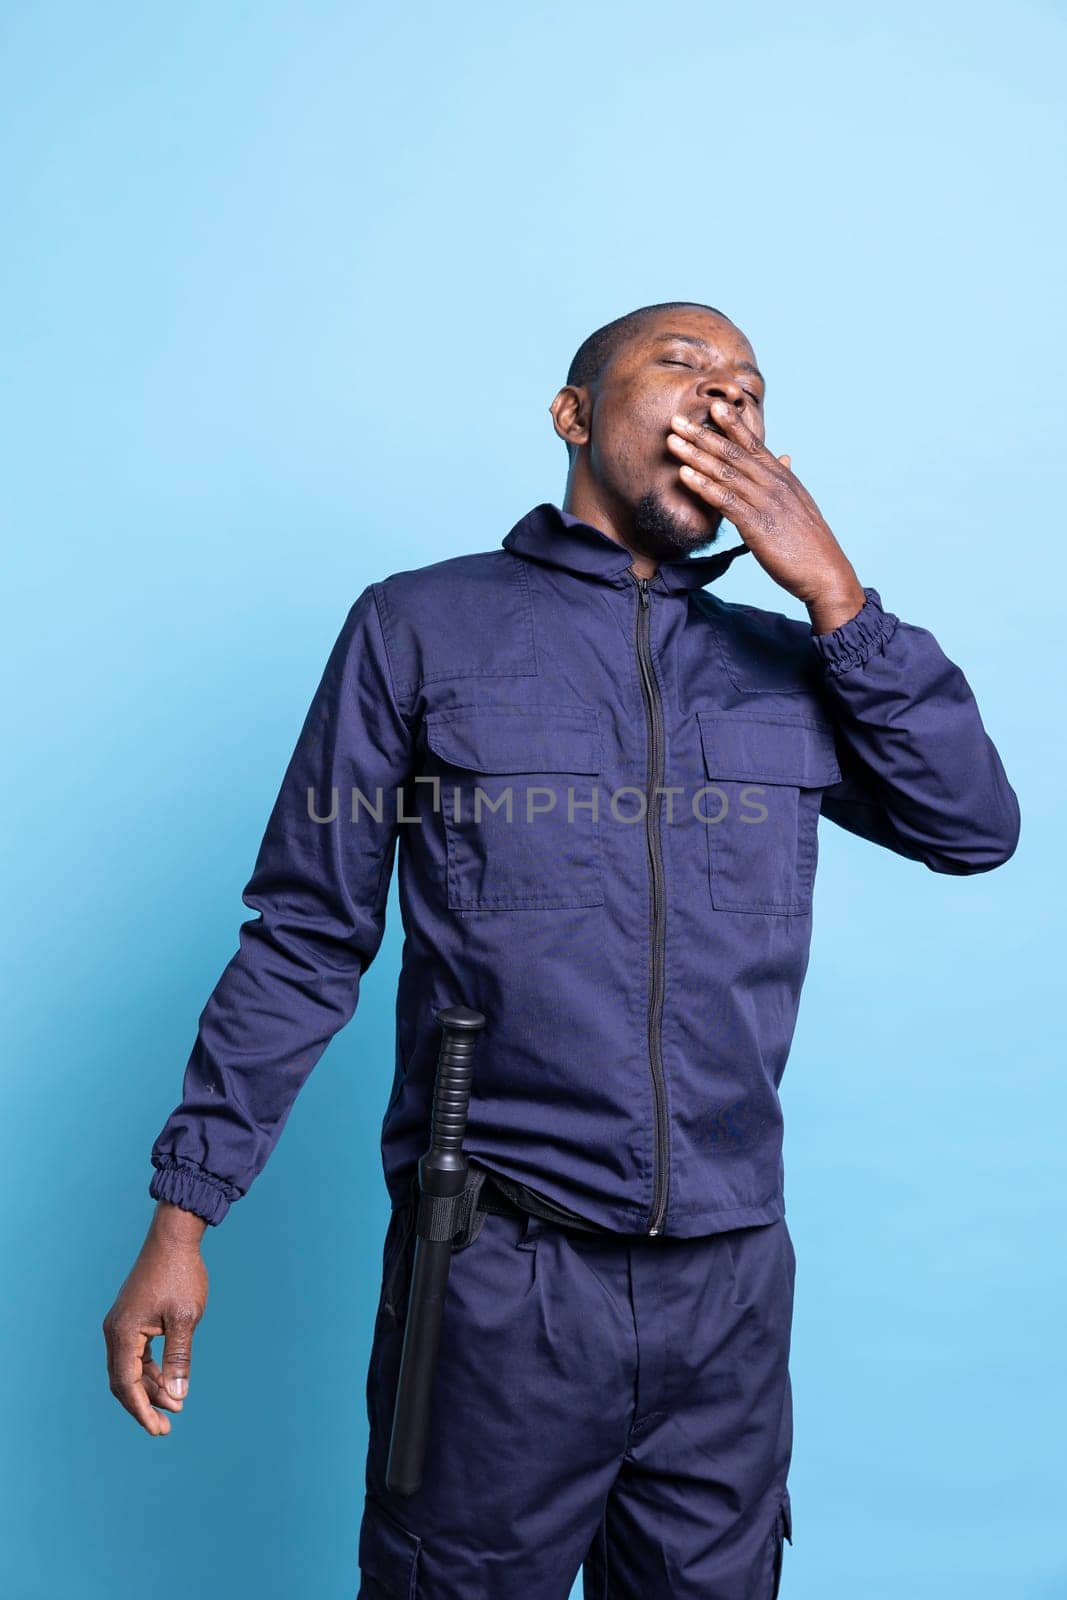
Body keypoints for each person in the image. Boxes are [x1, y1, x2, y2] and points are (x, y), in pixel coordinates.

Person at [102, 300, 1021, 1598]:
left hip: (731, 1292)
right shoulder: (419, 629)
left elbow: (973, 827)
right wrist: (183, 1215)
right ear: (573, 413)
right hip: (498, 1288)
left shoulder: (793, 661)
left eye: (751, 392)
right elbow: (306, 936)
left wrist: (837, 595)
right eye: (683, 366)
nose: (722, 402)